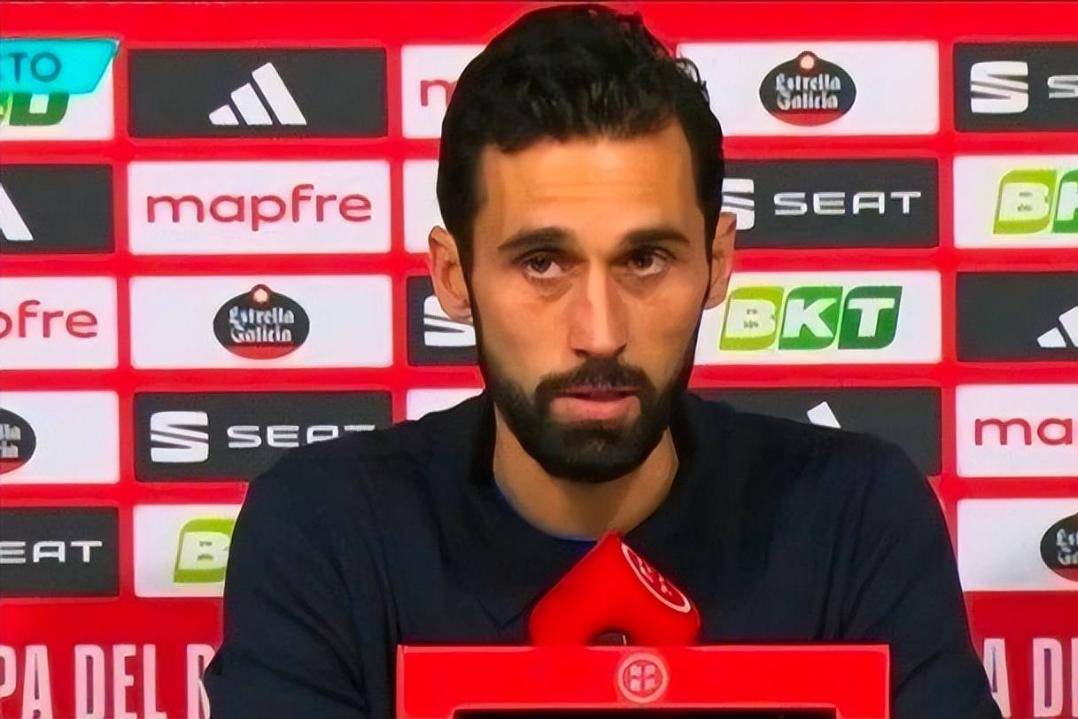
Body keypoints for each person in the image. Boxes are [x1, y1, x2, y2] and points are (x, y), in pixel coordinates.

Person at [203, 4, 1001, 717]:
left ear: (717, 262)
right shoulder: (326, 534)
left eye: (645, 259)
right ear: (452, 276)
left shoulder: (855, 520)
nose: (600, 332)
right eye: (542, 263)